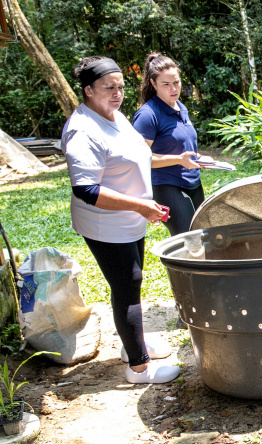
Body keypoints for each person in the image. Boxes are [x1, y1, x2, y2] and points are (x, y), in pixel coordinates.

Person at [61, 56, 180, 385]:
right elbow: (86, 189)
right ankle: (138, 368)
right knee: (127, 286)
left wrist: (144, 203)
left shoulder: (116, 116)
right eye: (108, 87)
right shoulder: (82, 130)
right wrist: (140, 206)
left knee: (133, 284)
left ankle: (133, 346)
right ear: (88, 90)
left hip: (131, 219)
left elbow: (141, 156)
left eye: (120, 87)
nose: (117, 93)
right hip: (105, 224)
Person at [132, 52, 202, 237]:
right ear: (153, 84)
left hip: (193, 183)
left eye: (176, 82)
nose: (173, 88)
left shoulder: (180, 106)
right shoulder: (147, 115)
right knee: (188, 241)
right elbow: (138, 159)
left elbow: (182, 146)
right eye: (166, 84)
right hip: (166, 186)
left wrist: (199, 158)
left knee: (203, 236)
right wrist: (178, 160)